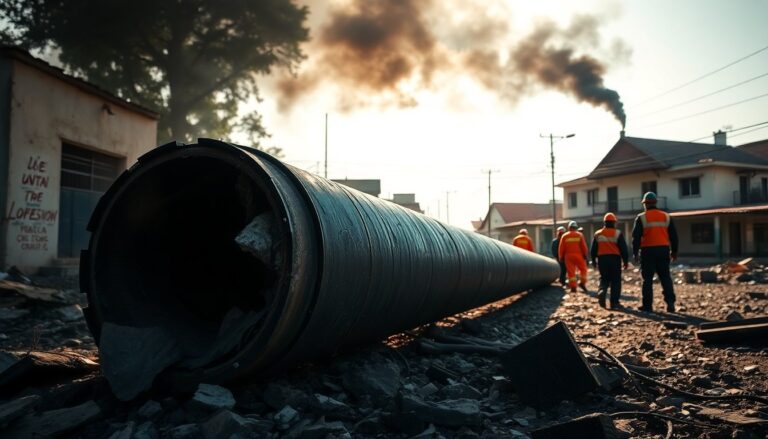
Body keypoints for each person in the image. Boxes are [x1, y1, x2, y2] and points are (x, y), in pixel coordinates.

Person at [632, 192, 679, 313]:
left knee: (647, 280)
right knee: (665, 277)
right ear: (655, 203)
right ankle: (670, 303)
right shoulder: (666, 216)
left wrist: (635, 253)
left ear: (645, 204)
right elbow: (674, 236)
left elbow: (636, 237)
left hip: (648, 251)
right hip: (663, 250)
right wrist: (674, 252)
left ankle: (647, 306)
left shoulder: (641, 217)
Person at [591, 212, 629, 309]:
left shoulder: (597, 233)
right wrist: (625, 261)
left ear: (604, 222)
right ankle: (614, 303)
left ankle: (602, 291)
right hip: (615, 259)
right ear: (614, 223)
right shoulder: (617, 233)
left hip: (602, 259)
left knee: (604, 278)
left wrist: (594, 261)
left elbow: (593, 250)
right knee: (615, 281)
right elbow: (623, 249)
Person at [559, 221, 589, 293]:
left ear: (569, 227)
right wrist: (585, 255)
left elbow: (561, 248)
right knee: (583, 270)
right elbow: (584, 247)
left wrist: (561, 257)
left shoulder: (564, 236)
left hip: (568, 256)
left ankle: (573, 287)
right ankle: (582, 283)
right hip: (579, 255)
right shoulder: (580, 235)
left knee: (571, 272)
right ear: (576, 227)